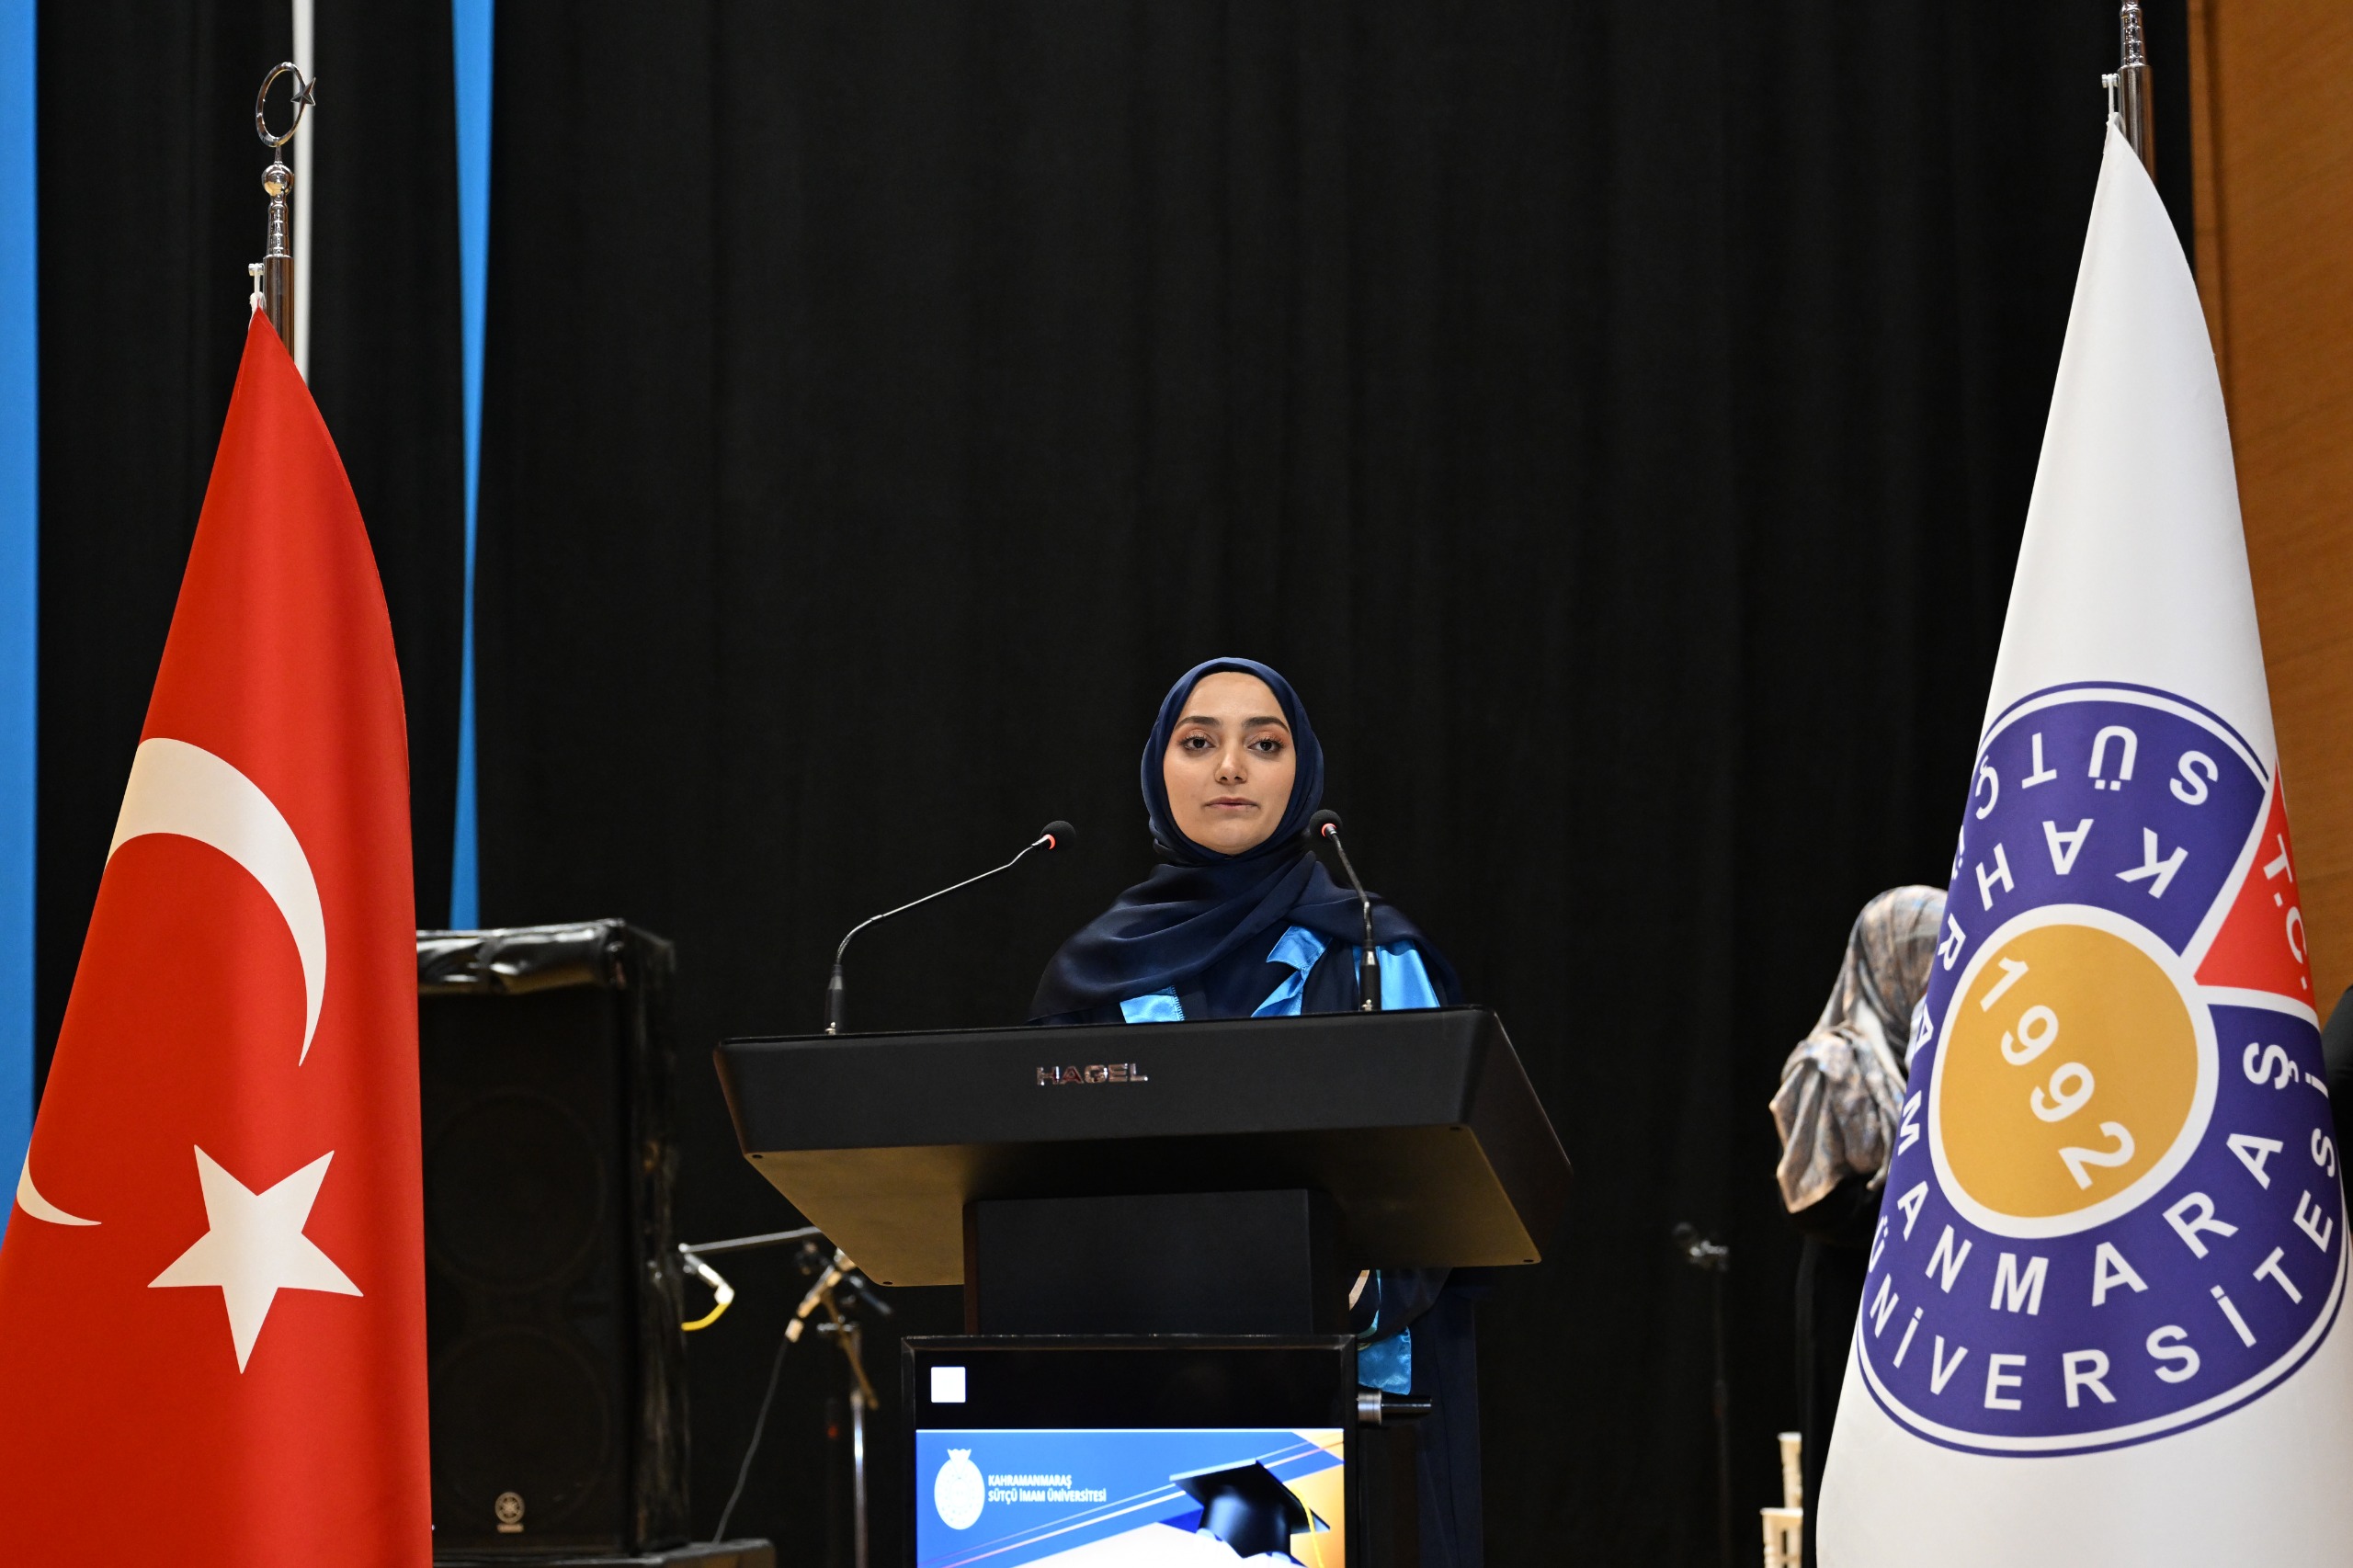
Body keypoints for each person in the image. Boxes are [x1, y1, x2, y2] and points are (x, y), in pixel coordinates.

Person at [1030, 656, 1483, 1568]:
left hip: (1359, 1410)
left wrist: (1337, 1290)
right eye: (1199, 742)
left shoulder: (1370, 955)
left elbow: (1443, 1191)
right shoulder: (1088, 980)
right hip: (1131, 1421)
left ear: (1300, 772)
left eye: (1264, 744)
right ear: (1158, 769)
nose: (1230, 767)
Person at [1768, 884, 1944, 1568]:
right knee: (1853, 1470)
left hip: (1922, 1292)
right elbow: (1811, 1203)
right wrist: (1910, 1215)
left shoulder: (1938, 1056)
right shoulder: (1830, 1064)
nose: (1937, 971)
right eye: (1925, 955)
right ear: (1888, 959)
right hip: (1849, 1293)